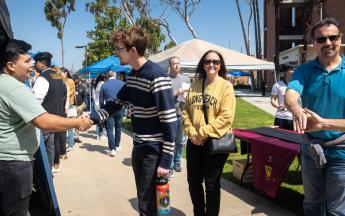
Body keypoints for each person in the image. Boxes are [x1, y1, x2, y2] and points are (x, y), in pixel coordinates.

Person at [89, 26, 177, 216]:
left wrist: (166, 160)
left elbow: (170, 121)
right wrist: (92, 118)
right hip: (139, 146)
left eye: (119, 48)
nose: (116, 52)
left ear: (133, 50)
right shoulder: (132, 75)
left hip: (154, 149)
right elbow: (116, 103)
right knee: (144, 199)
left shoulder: (156, 76)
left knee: (150, 204)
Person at [0, 39, 92, 216]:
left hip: (45, 131)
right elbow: (43, 120)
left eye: (33, 61)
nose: (32, 65)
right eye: (26, 61)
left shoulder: (34, 80)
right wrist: (78, 122)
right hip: (14, 165)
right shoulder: (18, 87)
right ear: (11, 65)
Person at [285, 18, 345, 215]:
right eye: (321, 39)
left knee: (338, 209)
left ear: (340, 39)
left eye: (332, 37)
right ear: (314, 44)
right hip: (311, 149)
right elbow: (291, 94)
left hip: (341, 152)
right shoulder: (304, 70)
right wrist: (295, 108)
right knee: (312, 204)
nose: (327, 43)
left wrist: (323, 123)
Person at [181, 50, 236, 216]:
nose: (211, 64)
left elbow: (226, 117)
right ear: (202, 65)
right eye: (207, 61)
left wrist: (201, 133)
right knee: (193, 182)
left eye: (216, 61)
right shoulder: (195, 84)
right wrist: (191, 131)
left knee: (211, 185)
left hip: (214, 143)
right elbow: (186, 111)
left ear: (220, 65)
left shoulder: (226, 87)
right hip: (194, 141)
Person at [32, 52, 67, 169]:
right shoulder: (58, 76)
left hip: (46, 119)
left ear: (41, 63)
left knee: (44, 147)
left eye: (35, 62)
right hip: (58, 116)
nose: (34, 65)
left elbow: (35, 102)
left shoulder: (42, 77)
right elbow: (64, 93)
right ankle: (51, 167)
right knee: (52, 145)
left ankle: (45, 172)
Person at [168, 56, 190, 175]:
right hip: (170, 115)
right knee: (170, 142)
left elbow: (191, 96)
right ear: (170, 66)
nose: (177, 65)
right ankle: (170, 166)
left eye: (178, 63)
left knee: (180, 141)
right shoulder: (166, 79)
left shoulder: (186, 79)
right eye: (174, 64)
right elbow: (163, 98)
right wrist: (175, 94)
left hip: (182, 114)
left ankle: (177, 162)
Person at [99, 71, 124, 156]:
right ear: (115, 75)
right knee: (118, 127)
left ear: (107, 76)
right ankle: (117, 145)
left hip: (108, 109)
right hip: (119, 107)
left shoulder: (104, 85)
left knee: (109, 129)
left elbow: (101, 101)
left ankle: (112, 148)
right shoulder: (121, 83)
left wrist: (102, 111)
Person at [270, 63, 295, 130]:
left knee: (293, 139)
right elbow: (272, 99)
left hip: (294, 117)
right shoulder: (277, 85)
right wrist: (278, 106)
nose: (294, 71)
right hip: (281, 117)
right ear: (285, 72)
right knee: (278, 139)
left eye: (295, 69)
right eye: (292, 69)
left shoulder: (298, 85)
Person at [72, 75, 88, 145]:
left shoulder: (82, 87)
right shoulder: (70, 87)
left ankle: (76, 137)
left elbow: (85, 98)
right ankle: (71, 137)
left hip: (79, 107)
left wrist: (84, 105)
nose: (77, 80)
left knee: (78, 122)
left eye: (77, 79)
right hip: (71, 107)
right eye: (75, 79)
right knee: (71, 122)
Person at [93, 73, 107, 140]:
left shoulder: (95, 85)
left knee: (97, 119)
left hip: (96, 104)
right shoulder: (103, 84)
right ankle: (101, 135)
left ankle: (97, 134)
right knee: (102, 119)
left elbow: (93, 96)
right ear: (103, 78)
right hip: (102, 104)